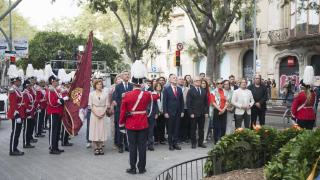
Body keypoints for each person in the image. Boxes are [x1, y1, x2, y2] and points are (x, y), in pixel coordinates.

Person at [119, 60, 159, 174]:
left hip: (130, 124)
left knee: (132, 147)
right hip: (143, 124)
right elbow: (157, 95)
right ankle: (141, 168)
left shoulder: (126, 95)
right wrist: (146, 87)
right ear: (142, 83)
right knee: (142, 147)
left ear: (132, 83)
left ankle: (132, 168)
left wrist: (121, 125)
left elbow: (122, 112)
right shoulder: (147, 94)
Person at [46, 75, 68, 154]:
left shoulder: (56, 90)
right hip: (53, 112)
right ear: (52, 81)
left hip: (58, 112)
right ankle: (52, 148)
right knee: (53, 131)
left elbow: (59, 98)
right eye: (56, 81)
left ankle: (56, 147)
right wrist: (62, 100)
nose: (58, 82)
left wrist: (62, 99)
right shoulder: (50, 90)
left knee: (57, 131)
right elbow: (52, 102)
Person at [113, 70, 133, 153]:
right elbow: (116, 99)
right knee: (120, 129)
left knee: (128, 129)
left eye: (128, 74)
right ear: (122, 76)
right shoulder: (118, 86)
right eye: (125, 74)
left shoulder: (132, 86)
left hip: (130, 111)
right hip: (120, 111)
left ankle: (127, 145)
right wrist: (122, 97)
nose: (127, 76)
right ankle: (120, 145)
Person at [163, 74, 184, 150]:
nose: (175, 79)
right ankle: (170, 144)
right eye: (173, 78)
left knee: (176, 128)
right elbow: (164, 102)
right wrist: (165, 112)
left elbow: (181, 101)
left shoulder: (179, 89)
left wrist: (182, 111)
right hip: (170, 112)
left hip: (178, 112)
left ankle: (175, 143)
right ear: (170, 80)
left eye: (176, 78)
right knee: (170, 129)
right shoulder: (166, 89)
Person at [88, 79, 109, 155]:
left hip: (103, 112)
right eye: (98, 84)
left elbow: (107, 104)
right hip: (94, 113)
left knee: (101, 130)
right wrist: (96, 113)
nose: (99, 85)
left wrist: (103, 112)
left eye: (100, 84)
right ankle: (96, 147)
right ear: (95, 85)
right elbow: (90, 105)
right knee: (95, 130)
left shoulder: (105, 94)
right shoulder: (91, 94)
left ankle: (100, 147)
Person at [7, 65, 25, 156]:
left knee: (17, 132)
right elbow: (13, 103)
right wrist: (16, 114)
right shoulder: (13, 90)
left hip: (19, 113)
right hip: (16, 114)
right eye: (18, 81)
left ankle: (15, 148)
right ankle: (12, 150)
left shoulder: (17, 89)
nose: (20, 82)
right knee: (15, 132)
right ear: (15, 81)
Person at [187, 76, 209, 148]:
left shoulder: (203, 90)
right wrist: (191, 113)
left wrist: (206, 112)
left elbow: (206, 103)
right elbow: (188, 103)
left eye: (199, 80)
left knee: (201, 129)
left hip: (202, 113)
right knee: (193, 129)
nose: (198, 82)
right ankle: (193, 143)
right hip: (194, 113)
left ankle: (200, 143)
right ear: (193, 82)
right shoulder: (190, 91)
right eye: (196, 81)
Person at [210, 79, 228, 143]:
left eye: (221, 83)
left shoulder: (225, 91)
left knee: (223, 126)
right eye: (218, 83)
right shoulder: (213, 92)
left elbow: (227, 101)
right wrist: (220, 110)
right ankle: (216, 140)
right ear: (216, 84)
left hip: (224, 111)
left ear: (222, 84)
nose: (220, 84)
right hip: (217, 111)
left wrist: (223, 110)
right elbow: (213, 102)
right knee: (216, 126)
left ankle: (222, 139)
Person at [23, 80, 36, 149]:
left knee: (30, 127)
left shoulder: (29, 92)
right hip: (28, 112)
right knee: (27, 129)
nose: (30, 86)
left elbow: (33, 100)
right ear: (26, 86)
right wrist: (28, 113)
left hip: (31, 111)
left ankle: (28, 141)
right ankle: (25, 143)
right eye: (29, 85)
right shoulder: (25, 93)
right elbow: (25, 103)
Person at [147, 82, 160, 151]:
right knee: (144, 130)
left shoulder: (153, 93)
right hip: (143, 114)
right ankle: (144, 144)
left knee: (151, 130)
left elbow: (155, 104)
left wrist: (157, 113)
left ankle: (150, 144)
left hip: (152, 114)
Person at [178, 76, 190, 143]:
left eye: (182, 80)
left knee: (185, 124)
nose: (182, 81)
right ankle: (179, 138)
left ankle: (184, 138)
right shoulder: (176, 88)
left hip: (186, 108)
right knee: (178, 124)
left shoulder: (188, 89)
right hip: (178, 109)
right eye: (180, 79)